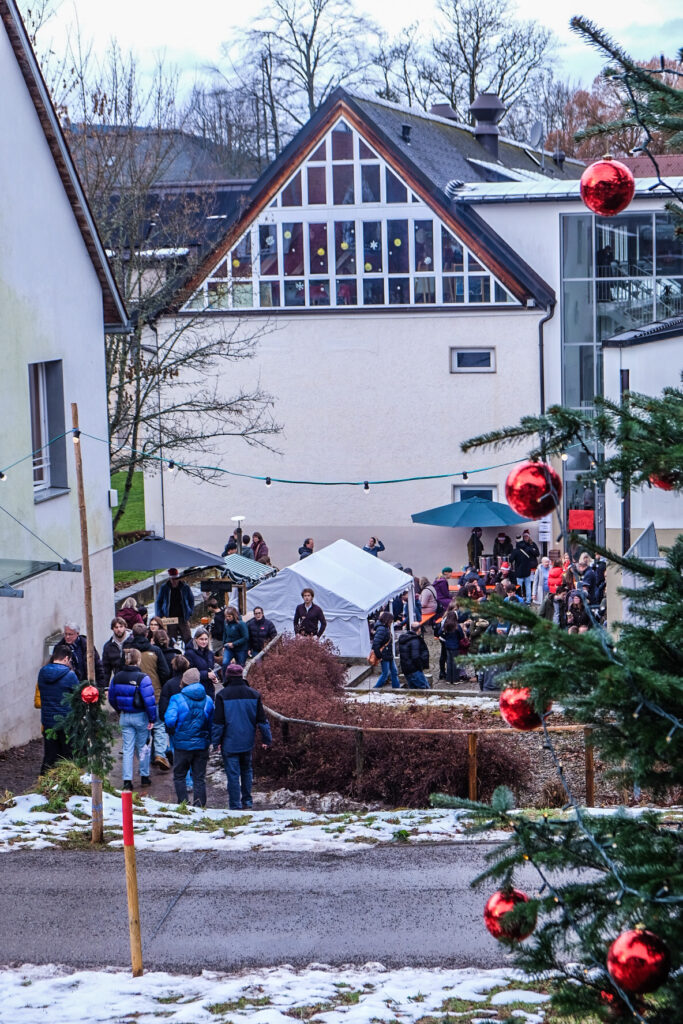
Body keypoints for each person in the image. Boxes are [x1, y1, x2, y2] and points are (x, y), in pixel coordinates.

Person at [211, 663, 272, 810]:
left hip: (229, 742)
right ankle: (247, 801)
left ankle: (235, 804)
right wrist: (267, 738)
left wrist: (216, 742)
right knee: (247, 771)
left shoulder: (222, 695)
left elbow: (218, 722)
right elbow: (262, 720)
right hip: (247, 741)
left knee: (233, 774)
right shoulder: (254, 694)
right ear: (241, 676)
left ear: (227, 676)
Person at [164, 667, 214, 808]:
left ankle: (183, 804)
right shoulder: (208, 700)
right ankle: (199, 806)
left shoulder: (177, 699)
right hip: (202, 744)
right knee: (199, 778)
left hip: (182, 745)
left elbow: (169, 720)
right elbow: (212, 723)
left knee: (180, 776)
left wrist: (177, 730)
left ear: (184, 681)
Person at [108, 648, 157, 790]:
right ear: (138, 660)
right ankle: (144, 776)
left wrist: (119, 710)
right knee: (143, 747)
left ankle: (127, 781)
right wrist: (152, 718)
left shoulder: (117, 677)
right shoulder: (143, 678)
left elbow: (111, 697)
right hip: (141, 716)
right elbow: (149, 701)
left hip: (125, 716)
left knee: (127, 749)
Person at [124, 623, 171, 770]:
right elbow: (165, 672)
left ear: (133, 635)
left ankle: (145, 759)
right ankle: (160, 754)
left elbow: (121, 670)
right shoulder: (155, 650)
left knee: (143, 729)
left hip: (134, 696)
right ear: (146, 634)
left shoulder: (127, 651)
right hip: (154, 694)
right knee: (159, 725)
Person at [35, 644, 78, 773]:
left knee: (50, 756)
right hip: (66, 722)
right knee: (68, 756)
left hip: (48, 722)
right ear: (66, 658)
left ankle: (44, 780)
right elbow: (77, 697)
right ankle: (66, 780)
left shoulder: (42, 673)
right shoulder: (70, 676)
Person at [59, 621, 105, 689]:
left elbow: (98, 666)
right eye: (65, 634)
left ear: (77, 633)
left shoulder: (87, 646)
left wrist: (100, 686)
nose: (67, 637)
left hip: (87, 686)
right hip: (68, 687)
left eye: (70, 634)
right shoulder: (59, 648)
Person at [155, 568, 194, 644]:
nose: (174, 581)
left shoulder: (185, 587)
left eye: (176, 579)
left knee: (188, 638)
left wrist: (190, 611)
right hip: (170, 617)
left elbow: (191, 600)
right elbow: (158, 601)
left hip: (182, 617)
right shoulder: (164, 587)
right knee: (171, 639)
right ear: (170, 579)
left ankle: (189, 651)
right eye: (172, 579)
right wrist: (160, 614)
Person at [184, 627, 218, 697]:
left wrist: (214, 677)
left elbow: (211, 669)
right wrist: (206, 675)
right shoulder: (189, 653)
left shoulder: (210, 653)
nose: (204, 642)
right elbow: (189, 673)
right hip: (196, 689)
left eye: (206, 639)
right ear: (195, 639)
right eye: (201, 639)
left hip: (209, 689)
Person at [397, 622, 430, 689]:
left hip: (406, 669)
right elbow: (415, 657)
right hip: (414, 670)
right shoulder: (415, 640)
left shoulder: (404, 638)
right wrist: (420, 666)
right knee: (425, 689)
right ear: (419, 629)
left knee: (413, 689)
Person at [438, 611, 468, 683]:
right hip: (455, 647)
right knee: (455, 663)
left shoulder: (446, 625)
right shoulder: (457, 626)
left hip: (447, 646)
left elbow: (439, 633)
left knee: (449, 663)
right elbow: (461, 636)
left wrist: (446, 637)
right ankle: (455, 679)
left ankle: (448, 679)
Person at [372, 611, 399, 689]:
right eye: (391, 620)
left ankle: (396, 688)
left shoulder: (384, 628)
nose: (392, 622)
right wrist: (379, 656)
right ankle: (376, 689)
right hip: (384, 655)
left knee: (394, 672)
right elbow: (376, 644)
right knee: (385, 673)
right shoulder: (382, 629)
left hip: (388, 654)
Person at [510, 532, 539, 604]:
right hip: (527, 571)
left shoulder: (515, 551)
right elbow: (535, 554)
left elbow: (511, 560)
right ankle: (528, 600)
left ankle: (520, 600)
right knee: (528, 586)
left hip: (519, 572)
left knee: (519, 587)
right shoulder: (528, 548)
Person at [102, 617, 131, 684]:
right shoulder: (108, 646)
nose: (119, 629)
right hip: (118, 680)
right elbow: (106, 669)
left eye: (121, 627)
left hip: (133, 679)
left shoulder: (132, 642)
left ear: (125, 627)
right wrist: (104, 686)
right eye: (116, 627)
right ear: (113, 629)